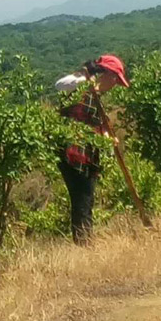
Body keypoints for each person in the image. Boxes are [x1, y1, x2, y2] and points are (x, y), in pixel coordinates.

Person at [55, 54, 130, 244]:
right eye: (114, 79)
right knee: (82, 199)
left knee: (86, 200)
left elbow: (95, 126)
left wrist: (108, 138)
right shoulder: (81, 88)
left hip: (86, 158)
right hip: (72, 155)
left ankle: (85, 242)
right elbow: (60, 85)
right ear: (107, 74)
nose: (114, 84)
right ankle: (84, 244)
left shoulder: (96, 99)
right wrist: (85, 77)